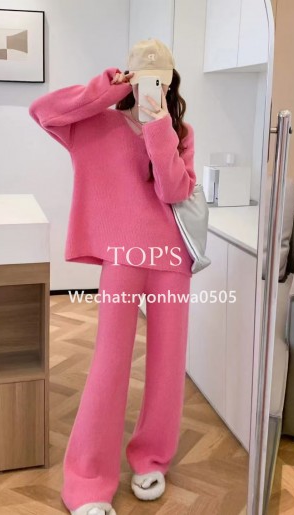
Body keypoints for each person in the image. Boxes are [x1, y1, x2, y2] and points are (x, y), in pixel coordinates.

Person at [29, 38, 196, 515]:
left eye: (160, 78)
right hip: (122, 256)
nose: (152, 86)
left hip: (171, 257)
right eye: (144, 77)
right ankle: (86, 480)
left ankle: (152, 458)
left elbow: (174, 190)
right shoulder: (97, 123)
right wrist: (106, 88)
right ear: (129, 78)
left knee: (168, 365)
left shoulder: (180, 130)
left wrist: (158, 127)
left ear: (171, 81)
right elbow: (43, 111)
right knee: (109, 363)